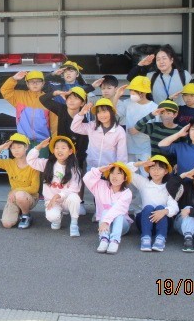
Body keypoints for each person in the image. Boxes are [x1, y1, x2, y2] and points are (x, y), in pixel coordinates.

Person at [40, 86, 89, 214]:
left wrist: (77, 159)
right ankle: (59, 202)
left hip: (76, 152)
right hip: (59, 150)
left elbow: (83, 143)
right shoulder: (61, 109)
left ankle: (79, 202)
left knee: (77, 175)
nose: (71, 100)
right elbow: (43, 99)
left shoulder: (83, 119)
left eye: (76, 98)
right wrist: (56, 92)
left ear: (82, 103)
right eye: (69, 98)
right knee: (57, 175)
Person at [27, 136, 82, 237]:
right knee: (52, 217)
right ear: (53, 150)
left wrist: (58, 195)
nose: (59, 150)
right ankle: (57, 218)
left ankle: (74, 224)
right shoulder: (47, 164)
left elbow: (75, 188)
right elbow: (30, 160)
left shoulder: (74, 169)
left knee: (75, 198)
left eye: (63, 148)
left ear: (70, 151)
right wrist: (38, 147)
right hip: (52, 201)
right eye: (57, 148)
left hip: (66, 200)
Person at [0, 133, 40, 229]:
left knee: (20, 195)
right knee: (7, 224)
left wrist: (15, 191)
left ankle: (26, 215)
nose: (16, 150)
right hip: (14, 198)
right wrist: (2, 147)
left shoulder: (33, 164)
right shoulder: (9, 163)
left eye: (19, 147)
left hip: (29, 197)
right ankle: (18, 211)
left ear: (26, 147)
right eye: (13, 148)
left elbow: (34, 188)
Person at [129, 155, 180, 252]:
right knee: (148, 207)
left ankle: (160, 238)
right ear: (148, 170)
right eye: (153, 168)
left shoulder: (169, 186)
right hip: (145, 222)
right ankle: (146, 238)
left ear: (166, 171)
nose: (156, 171)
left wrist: (164, 211)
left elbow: (175, 207)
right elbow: (126, 171)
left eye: (160, 168)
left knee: (160, 207)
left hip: (163, 223)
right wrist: (140, 164)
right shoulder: (144, 183)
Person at [83, 162, 133, 254]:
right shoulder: (101, 186)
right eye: (112, 173)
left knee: (118, 213)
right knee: (106, 210)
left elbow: (118, 209)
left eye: (119, 173)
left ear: (125, 178)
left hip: (122, 225)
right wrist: (99, 170)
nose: (114, 176)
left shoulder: (127, 193)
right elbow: (86, 178)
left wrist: (106, 221)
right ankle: (104, 239)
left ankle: (114, 241)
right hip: (105, 226)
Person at [70, 98, 128, 171]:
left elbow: (122, 155)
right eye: (99, 112)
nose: (102, 115)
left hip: (109, 170)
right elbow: (74, 128)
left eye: (104, 111)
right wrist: (81, 113)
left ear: (111, 112)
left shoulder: (119, 131)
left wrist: (120, 170)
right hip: (92, 169)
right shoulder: (92, 126)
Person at [115, 76, 157, 173]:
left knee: (145, 175)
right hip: (128, 147)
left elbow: (156, 128)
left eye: (135, 91)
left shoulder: (154, 107)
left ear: (144, 92)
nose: (132, 93)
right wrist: (117, 96)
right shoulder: (127, 103)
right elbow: (114, 114)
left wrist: (139, 129)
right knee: (129, 174)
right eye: (131, 90)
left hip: (146, 148)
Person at [1, 70, 51, 152]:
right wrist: (14, 79)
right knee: (24, 161)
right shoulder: (20, 96)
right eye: (31, 81)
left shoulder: (48, 99)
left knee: (41, 161)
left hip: (43, 142)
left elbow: (54, 123)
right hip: (23, 142)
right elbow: (5, 91)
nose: (35, 84)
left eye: (38, 81)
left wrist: (54, 140)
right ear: (27, 84)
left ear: (43, 83)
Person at [127, 45, 192, 104]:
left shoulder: (184, 75)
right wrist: (140, 64)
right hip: (159, 112)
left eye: (164, 58)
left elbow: (193, 96)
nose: (161, 62)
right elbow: (130, 78)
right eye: (158, 59)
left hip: (181, 112)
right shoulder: (151, 76)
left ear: (171, 60)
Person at [133, 99, 181, 166]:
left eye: (168, 113)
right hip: (155, 165)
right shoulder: (154, 127)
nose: (165, 116)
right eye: (162, 113)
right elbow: (137, 126)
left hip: (172, 166)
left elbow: (183, 150)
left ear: (175, 114)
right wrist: (151, 115)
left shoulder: (180, 130)